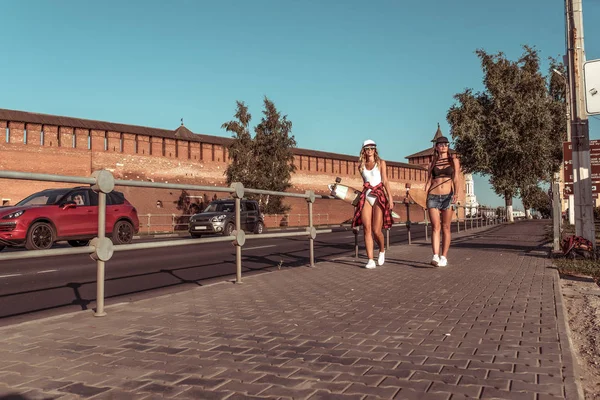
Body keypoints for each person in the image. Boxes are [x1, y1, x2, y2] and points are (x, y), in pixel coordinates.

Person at [352, 139, 394, 269]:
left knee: (376, 230)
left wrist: (390, 198)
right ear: (363, 150)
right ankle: (370, 260)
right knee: (367, 229)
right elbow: (365, 181)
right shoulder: (361, 166)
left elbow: (385, 181)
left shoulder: (381, 163)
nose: (369, 151)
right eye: (367, 148)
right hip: (367, 196)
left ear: (375, 149)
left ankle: (382, 250)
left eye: (371, 148)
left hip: (379, 195)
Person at [425, 136, 462, 267]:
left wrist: (456, 193)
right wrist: (424, 193)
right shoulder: (432, 163)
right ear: (436, 147)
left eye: (445, 144)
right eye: (440, 144)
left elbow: (456, 178)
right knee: (435, 227)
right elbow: (429, 181)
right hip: (433, 196)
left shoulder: (454, 161)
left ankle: (444, 256)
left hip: (448, 196)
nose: (443, 146)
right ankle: (435, 255)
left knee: (446, 227)